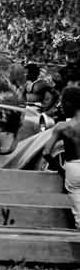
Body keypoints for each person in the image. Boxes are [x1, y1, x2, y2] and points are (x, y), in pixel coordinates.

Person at [43, 87, 80, 229]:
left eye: (63, 103)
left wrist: (61, 170)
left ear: (70, 104)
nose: (61, 106)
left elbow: (46, 153)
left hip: (73, 169)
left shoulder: (62, 127)